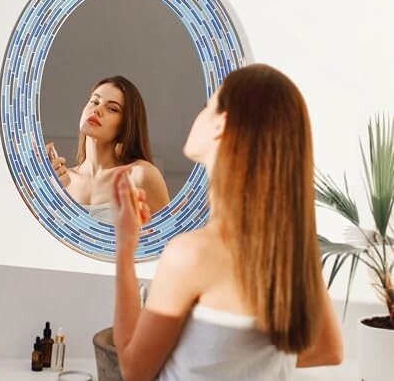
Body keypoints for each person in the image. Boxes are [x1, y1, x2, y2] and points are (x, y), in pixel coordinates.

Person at [110, 64, 343, 380]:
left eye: (207, 107)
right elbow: (328, 349)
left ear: (221, 124)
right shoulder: (292, 253)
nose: (200, 114)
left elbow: (133, 370)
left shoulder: (191, 254)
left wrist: (125, 247)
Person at [46, 75, 169, 223]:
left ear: (126, 125)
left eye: (112, 108)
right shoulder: (60, 180)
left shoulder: (140, 175)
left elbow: (166, 239)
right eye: (94, 101)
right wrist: (45, 191)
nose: (97, 109)